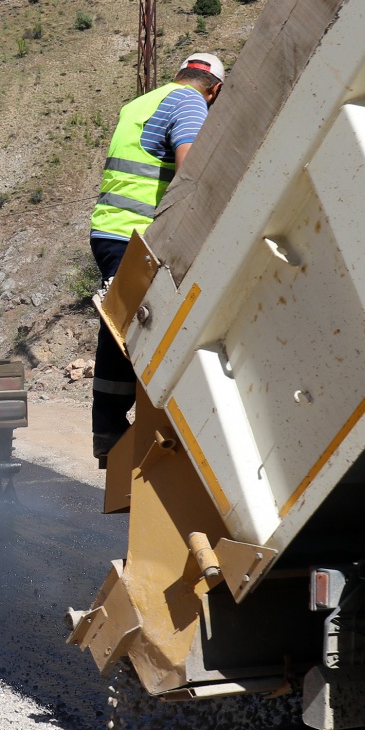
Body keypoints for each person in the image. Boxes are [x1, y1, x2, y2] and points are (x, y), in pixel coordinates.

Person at [88, 53, 224, 462]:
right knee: (135, 330)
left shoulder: (141, 102)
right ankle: (115, 430)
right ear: (214, 90)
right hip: (140, 234)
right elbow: (189, 169)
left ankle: (110, 427)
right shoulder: (189, 102)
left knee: (122, 325)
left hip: (109, 229)